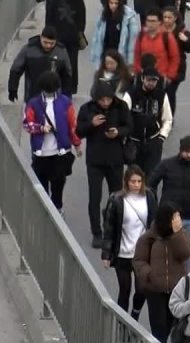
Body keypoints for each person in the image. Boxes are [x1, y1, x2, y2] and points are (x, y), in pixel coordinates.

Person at [133, 202, 190, 343]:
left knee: (169, 322)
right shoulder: (149, 238)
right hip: (154, 289)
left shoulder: (180, 235)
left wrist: (176, 233)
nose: (178, 220)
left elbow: (186, 253)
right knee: (158, 323)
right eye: (175, 217)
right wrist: (149, 274)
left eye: (178, 217)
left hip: (175, 289)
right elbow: (139, 261)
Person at [76, 83, 133, 248]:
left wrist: (118, 132)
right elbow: (79, 131)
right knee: (95, 197)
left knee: (116, 197)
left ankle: (114, 230)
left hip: (115, 159)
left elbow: (129, 126)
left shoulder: (121, 106)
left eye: (109, 99)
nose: (106, 102)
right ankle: (97, 233)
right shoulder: (87, 109)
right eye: (102, 100)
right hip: (95, 160)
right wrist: (91, 124)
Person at [102, 166, 158, 326]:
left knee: (141, 290)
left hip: (142, 255)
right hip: (122, 254)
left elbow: (154, 225)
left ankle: (134, 315)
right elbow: (109, 228)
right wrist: (106, 255)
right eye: (133, 181)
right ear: (126, 182)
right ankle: (123, 322)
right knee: (124, 290)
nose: (136, 184)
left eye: (139, 181)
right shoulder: (116, 199)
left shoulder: (149, 197)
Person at [21, 71, 81, 211]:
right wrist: (40, 128)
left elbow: (72, 125)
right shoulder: (33, 103)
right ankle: (45, 213)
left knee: (58, 186)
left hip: (59, 153)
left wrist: (76, 144)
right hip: (41, 153)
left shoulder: (65, 102)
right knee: (42, 188)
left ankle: (57, 210)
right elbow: (26, 124)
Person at [147, 135, 190, 251]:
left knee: (186, 251)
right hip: (169, 216)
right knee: (167, 250)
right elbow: (150, 185)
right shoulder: (166, 164)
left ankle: (185, 270)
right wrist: (157, 207)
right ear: (181, 149)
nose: (189, 155)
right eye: (187, 151)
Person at [127, 55, 174, 177]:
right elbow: (123, 116)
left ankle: (150, 196)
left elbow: (168, 119)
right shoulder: (131, 95)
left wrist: (162, 137)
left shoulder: (161, 95)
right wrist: (126, 136)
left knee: (151, 177)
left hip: (153, 142)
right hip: (134, 143)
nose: (151, 83)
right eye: (148, 80)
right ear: (142, 79)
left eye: (154, 80)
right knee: (134, 177)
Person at [8, 26, 74, 103]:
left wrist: (66, 94)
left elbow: (67, 74)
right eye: (45, 42)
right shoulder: (28, 49)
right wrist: (13, 89)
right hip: (32, 96)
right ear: (41, 38)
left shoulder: (61, 52)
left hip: (55, 98)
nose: (48, 46)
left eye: (51, 43)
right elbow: (16, 70)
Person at [40, 0, 87, 94]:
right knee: (67, 63)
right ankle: (65, 88)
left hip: (65, 38)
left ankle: (63, 88)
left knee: (64, 63)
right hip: (65, 38)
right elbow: (81, 18)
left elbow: (49, 19)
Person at [160, 6, 190, 114]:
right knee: (160, 93)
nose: (166, 20)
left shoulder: (182, 32)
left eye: (169, 17)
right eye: (164, 17)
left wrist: (186, 41)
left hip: (176, 69)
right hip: (160, 68)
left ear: (175, 18)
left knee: (170, 93)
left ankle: (169, 118)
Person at [133, 10, 181, 80]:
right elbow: (136, 55)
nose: (150, 23)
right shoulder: (141, 35)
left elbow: (174, 57)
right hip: (144, 77)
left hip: (161, 77)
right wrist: (137, 71)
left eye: (153, 21)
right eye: (148, 21)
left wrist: (170, 76)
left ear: (159, 22)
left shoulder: (167, 36)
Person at [90, 0, 141, 66]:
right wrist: (95, 56)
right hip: (106, 55)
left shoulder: (129, 17)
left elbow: (132, 41)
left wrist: (130, 61)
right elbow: (97, 38)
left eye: (116, 3)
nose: (113, 6)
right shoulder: (102, 16)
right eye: (111, 3)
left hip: (120, 56)